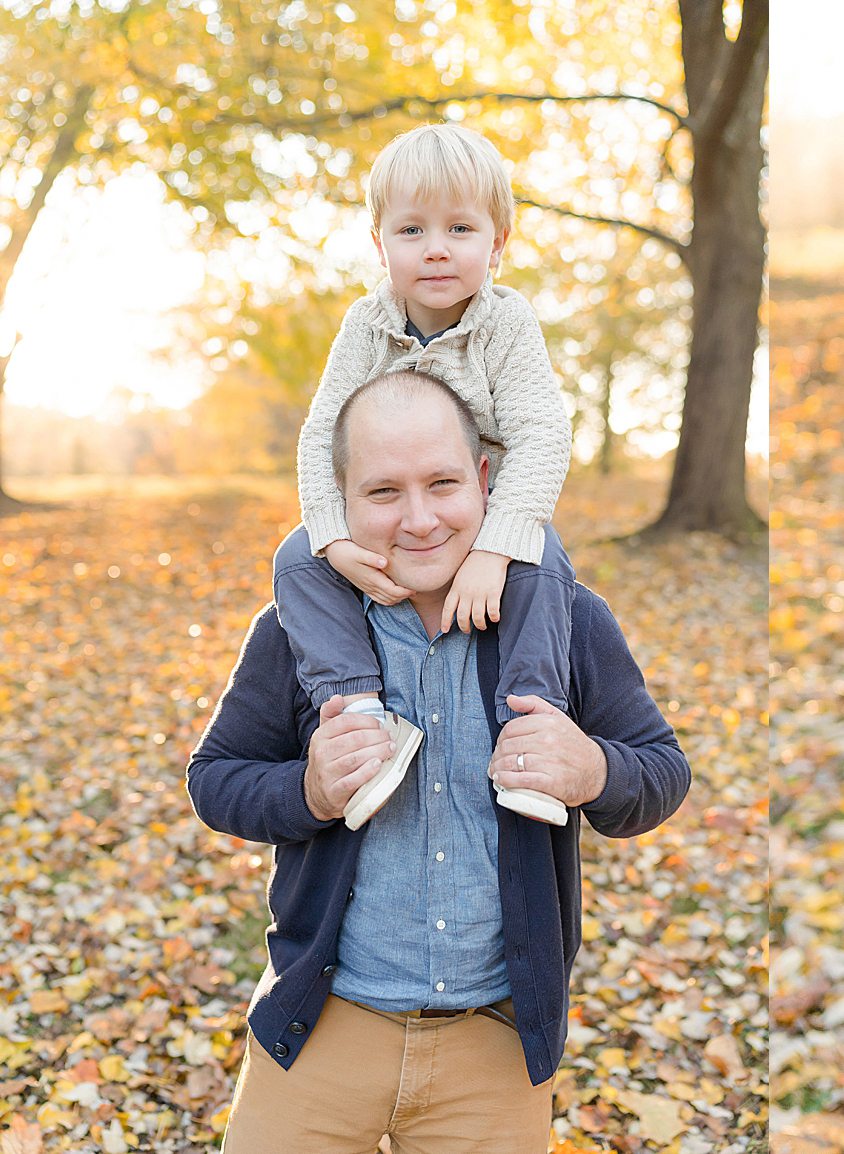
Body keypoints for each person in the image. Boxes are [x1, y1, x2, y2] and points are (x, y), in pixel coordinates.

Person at [189, 372, 691, 1153]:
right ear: (338, 501)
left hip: (491, 1049)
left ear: (487, 481)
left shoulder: (565, 619)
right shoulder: (298, 631)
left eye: (444, 484)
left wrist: (591, 768)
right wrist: (309, 789)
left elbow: (661, 770)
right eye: (384, 491)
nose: (419, 520)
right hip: (320, 1030)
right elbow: (215, 779)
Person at [273, 121, 576, 830]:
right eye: (411, 230)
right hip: (385, 510)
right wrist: (332, 536)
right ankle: (365, 718)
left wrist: (495, 548)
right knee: (297, 559)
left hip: (486, 508)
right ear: (380, 245)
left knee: (545, 563)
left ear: (498, 242)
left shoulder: (506, 322)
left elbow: (540, 434)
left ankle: (528, 730)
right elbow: (322, 434)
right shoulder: (366, 325)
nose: (436, 247)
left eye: (460, 228)